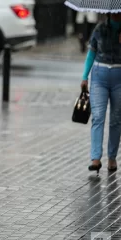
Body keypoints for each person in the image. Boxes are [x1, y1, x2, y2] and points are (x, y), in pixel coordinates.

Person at [82, 13, 121, 174]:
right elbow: (91, 52)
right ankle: (95, 158)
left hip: (119, 77)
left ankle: (112, 157)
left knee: (116, 119)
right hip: (99, 76)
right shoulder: (99, 28)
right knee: (98, 116)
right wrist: (84, 76)